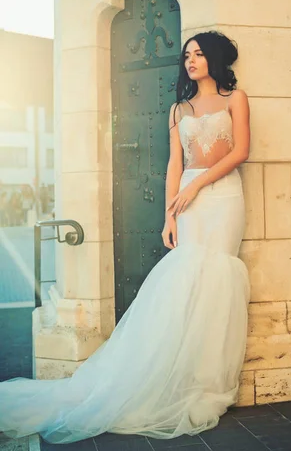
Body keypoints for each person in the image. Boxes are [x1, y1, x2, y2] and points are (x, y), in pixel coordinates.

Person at [0, 30, 251, 444]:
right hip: (188, 200)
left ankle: (206, 383)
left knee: (218, 281)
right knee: (186, 281)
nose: (190, 60)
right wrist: (169, 215)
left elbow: (240, 150)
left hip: (224, 196)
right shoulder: (177, 108)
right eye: (186, 54)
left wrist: (198, 185)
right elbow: (174, 163)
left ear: (216, 59)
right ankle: (173, 376)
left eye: (199, 54)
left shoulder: (234, 99)